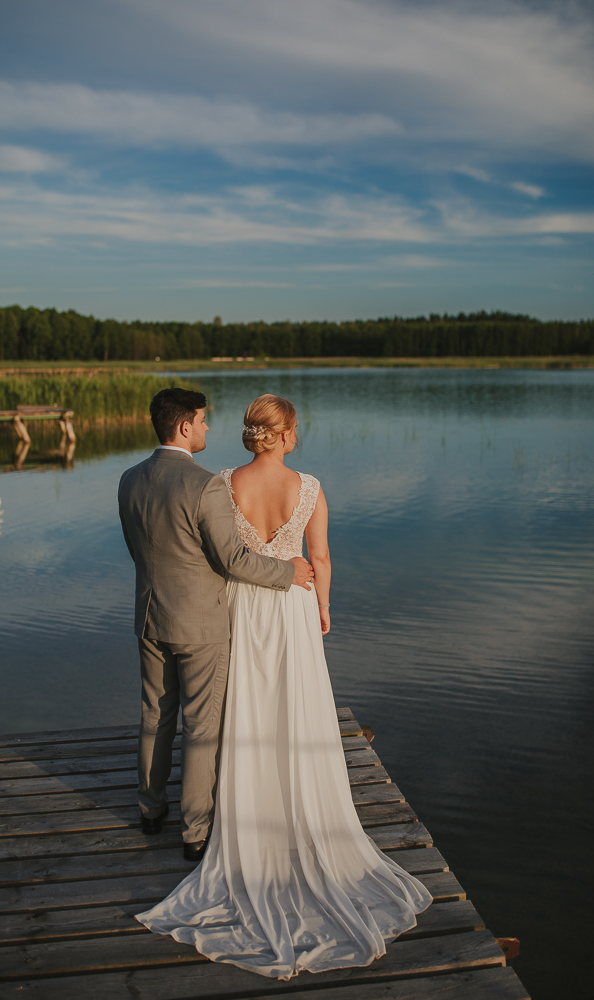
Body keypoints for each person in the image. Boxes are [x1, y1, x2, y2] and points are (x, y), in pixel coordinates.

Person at [136, 394, 432, 979]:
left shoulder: (219, 483)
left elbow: (221, 557)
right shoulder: (312, 488)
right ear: (287, 434)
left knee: (244, 710)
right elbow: (318, 557)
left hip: (244, 608)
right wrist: (322, 607)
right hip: (292, 607)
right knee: (296, 710)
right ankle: (299, 808)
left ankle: (239, 812)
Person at [118, 387, 315, 863]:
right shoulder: (204, 485)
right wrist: (290, 572)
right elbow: (232, 559)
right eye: (203, 421)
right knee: (201, 726)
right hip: (202, 623)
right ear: (184, 426)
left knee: (155, 716)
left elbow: (140, 548)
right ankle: (195, 831)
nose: (207, 428)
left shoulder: (129, 479)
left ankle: (149, 810)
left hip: (149, 614)